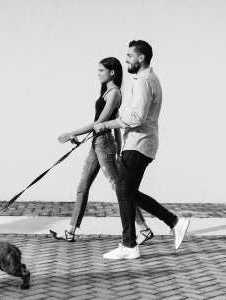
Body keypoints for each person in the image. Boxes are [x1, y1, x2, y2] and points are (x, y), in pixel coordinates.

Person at [93, 40, 190, 259]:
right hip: (138, 143)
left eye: (129, 55)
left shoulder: (145, 80)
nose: (126, 59)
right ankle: (174, 221)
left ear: (141, 58)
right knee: (127, 191)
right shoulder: (144, 79)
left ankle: (130, 245)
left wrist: (107, 124)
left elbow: (137, 117)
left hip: (139, 143)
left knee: (122, 189)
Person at [50, 57, 153, 244]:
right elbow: (114, 124)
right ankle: (71, 231)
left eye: (101, 71)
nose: (98, 74)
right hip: (98, 144)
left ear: (112, 72)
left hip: (104, 145)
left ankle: (144, 229)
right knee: (83, 187)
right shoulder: (106, 92)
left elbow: (100, 123)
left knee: (120, 189)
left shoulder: (114, 93)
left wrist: (72, 133)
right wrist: (118, 146)